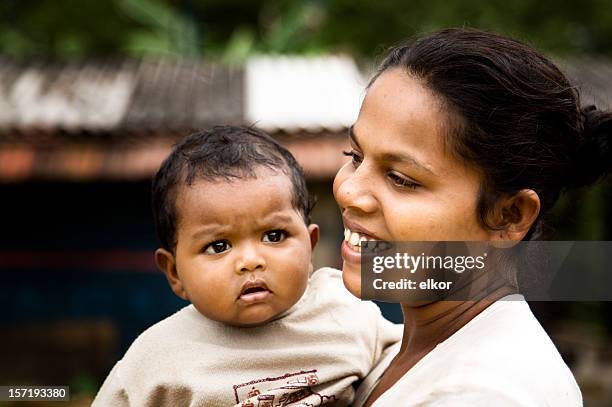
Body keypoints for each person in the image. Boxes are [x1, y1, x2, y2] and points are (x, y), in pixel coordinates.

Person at [334, 29, 610, 406]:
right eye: (355, 156)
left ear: (510, 215)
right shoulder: (385, 348)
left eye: (401, 179)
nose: (349, 191)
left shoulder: (484, 393)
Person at [92, 125, 401, 406]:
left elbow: (418, 366)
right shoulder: (154, 361)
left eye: (274, 235)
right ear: (174, 273)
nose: (251, 261)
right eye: (218, 246)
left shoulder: (347, 310)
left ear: (310, 247)